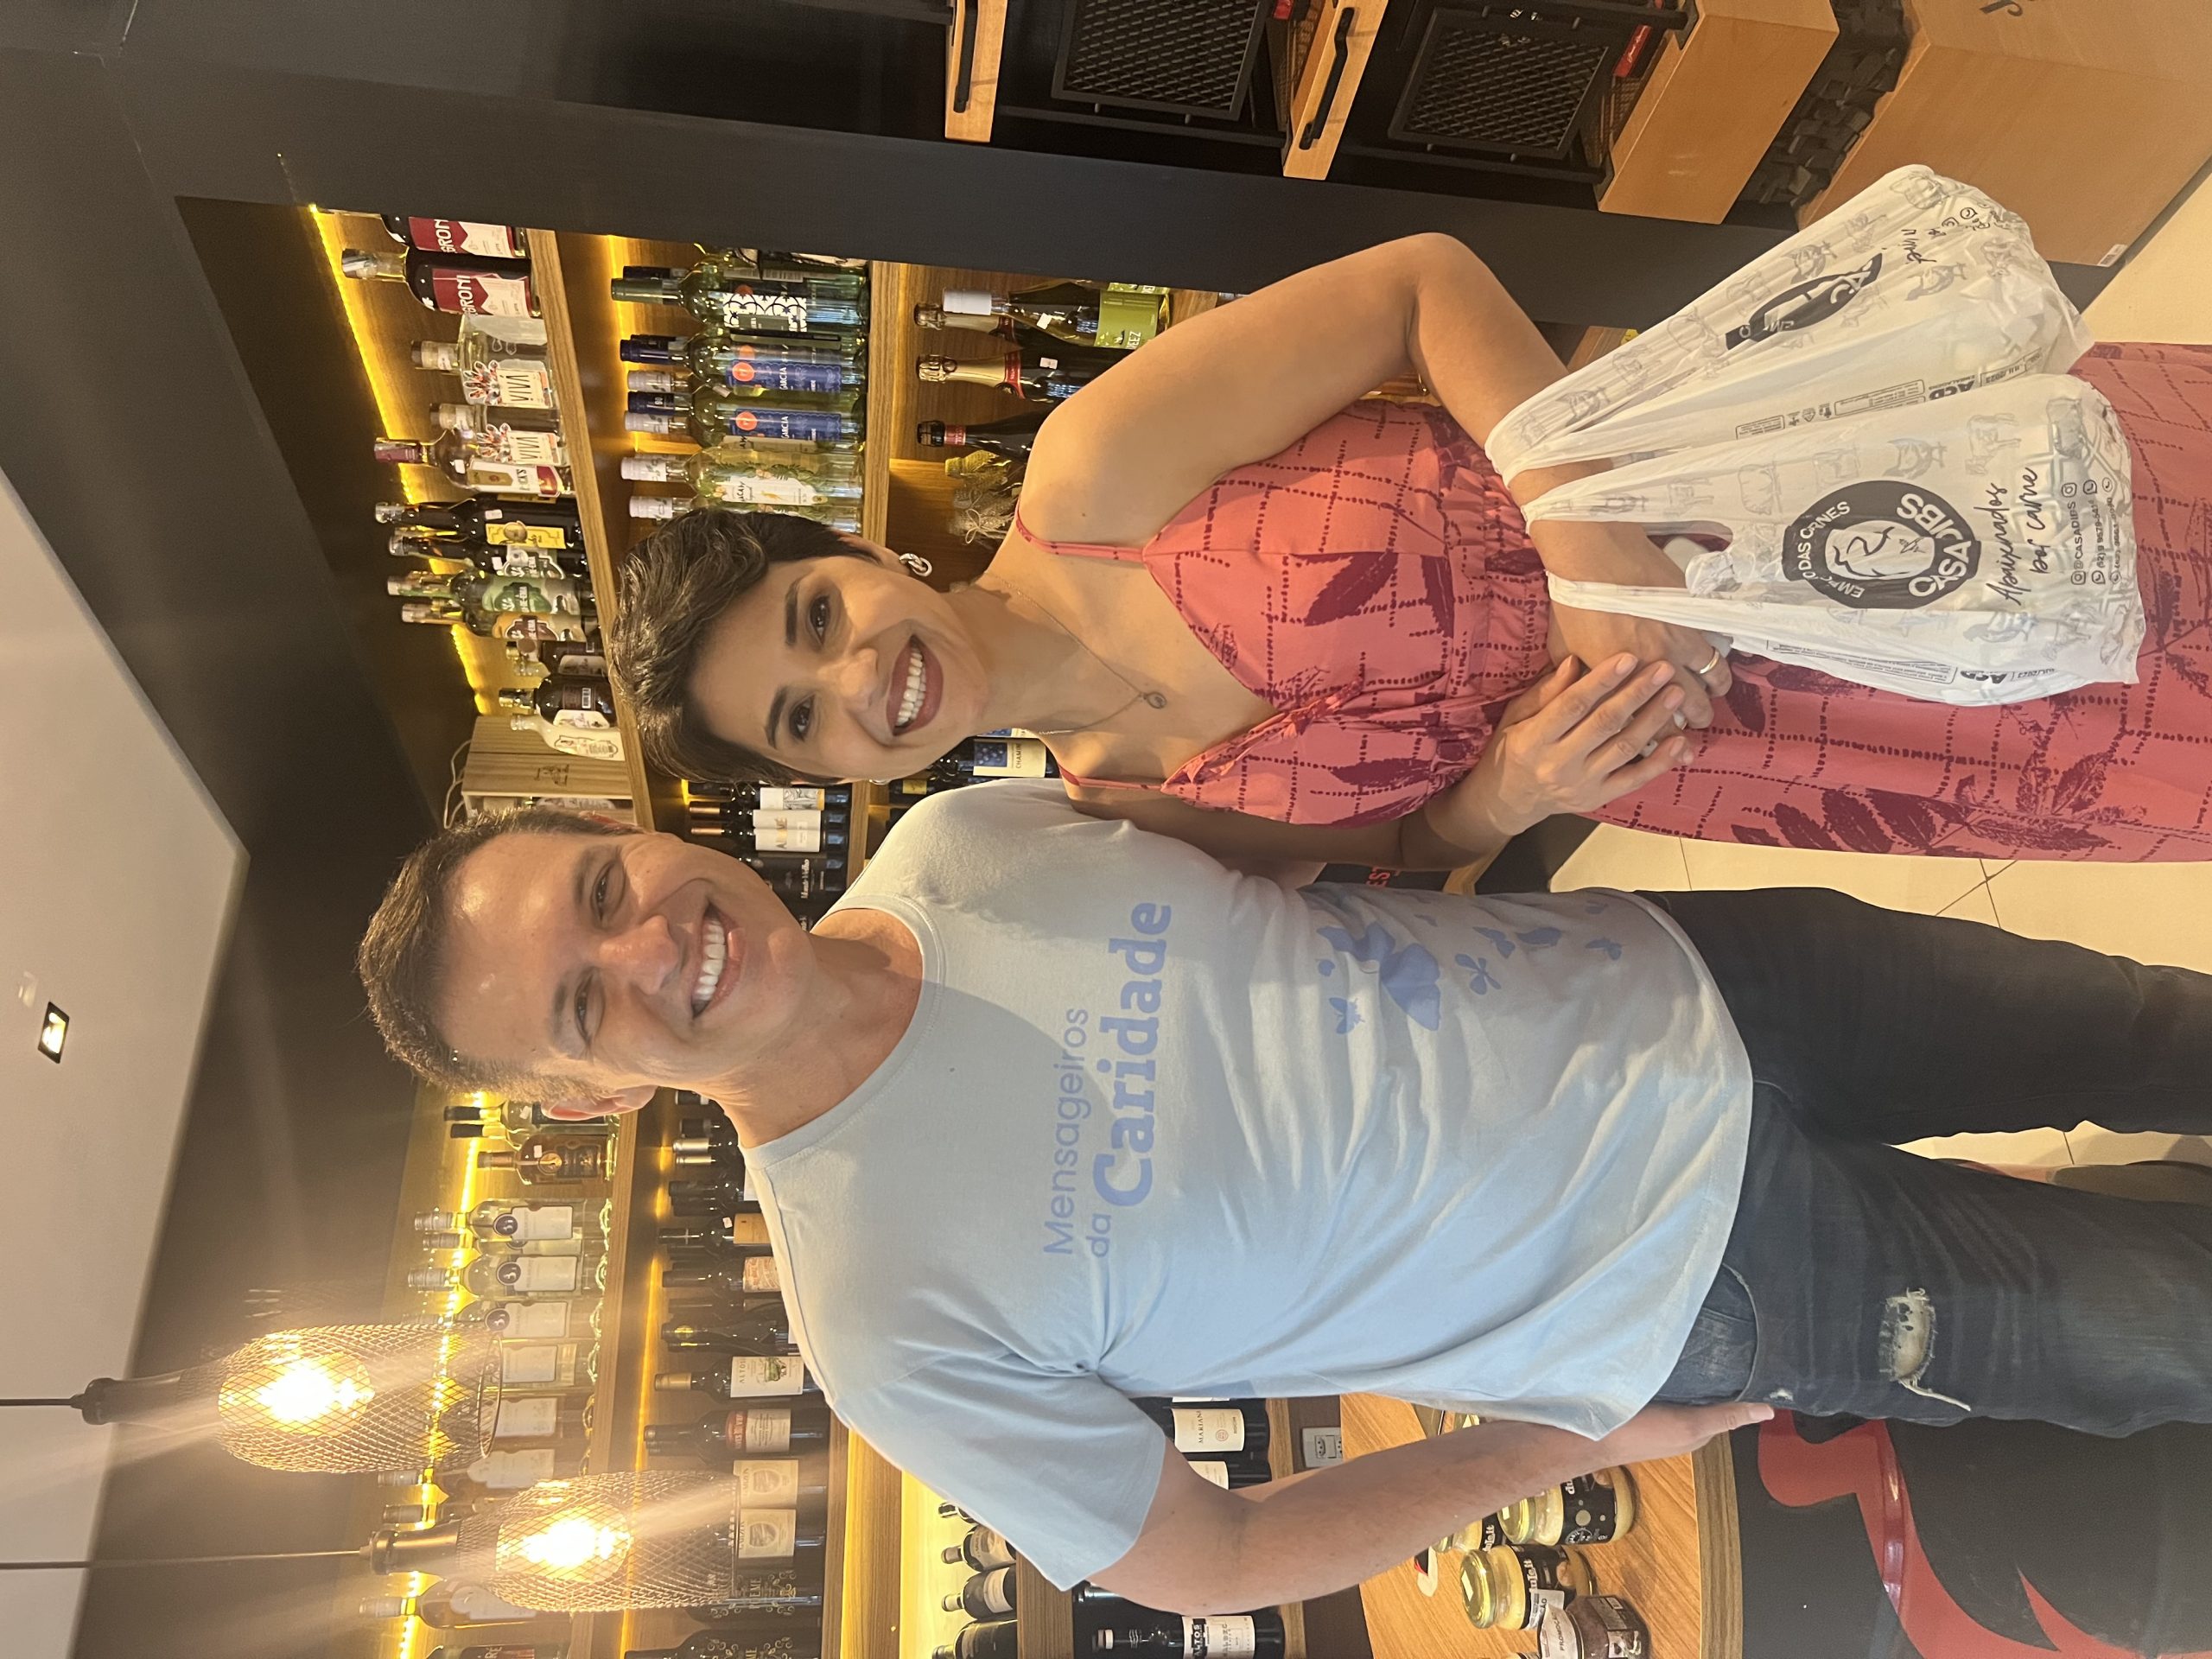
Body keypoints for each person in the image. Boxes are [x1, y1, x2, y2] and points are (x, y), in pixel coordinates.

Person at [358, 784, 2212, 1611]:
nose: (651, 945)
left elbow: (1359, 843)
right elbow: (1209, 1562)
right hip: (1702, 1284)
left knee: (2150, 1027)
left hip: (1711, 976)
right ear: (591, 1094)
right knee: (2183, 1324)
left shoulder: (964, 839)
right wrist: (1569, 1438)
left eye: (602, 889)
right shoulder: (878, 1321)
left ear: (632, 831)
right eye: (585, 1004)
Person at [613, 235, 2212, 865]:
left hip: (1746, 521)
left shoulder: (1097, 472)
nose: (858, 679)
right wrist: (1510, 793)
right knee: (2154, 759)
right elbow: (1399, 854)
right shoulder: (1125, 808)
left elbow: (1418, 289)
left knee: (2156, 540)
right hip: (1763, 744)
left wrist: (1587, 550)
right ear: (835, 776)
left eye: (813, 616)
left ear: (859, 552)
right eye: (803, 720)